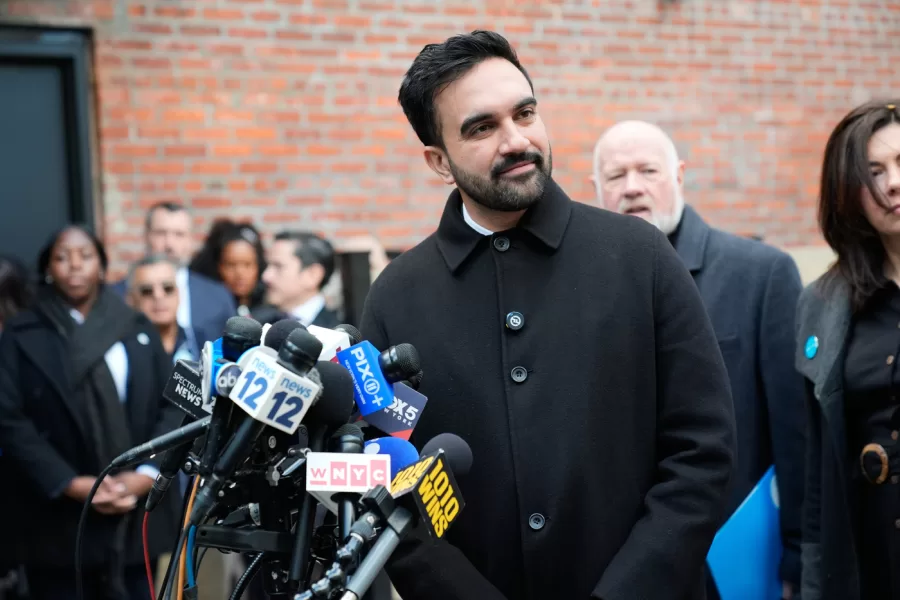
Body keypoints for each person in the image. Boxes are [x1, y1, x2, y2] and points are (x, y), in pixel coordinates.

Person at [359, 30, 736, 600]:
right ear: (438, 161)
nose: (517, 140)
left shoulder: (640, 256)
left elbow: (701, 451)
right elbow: (389, 492)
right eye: (482, 127)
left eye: (526, 113)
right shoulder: (395, 296)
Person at [593, 120, 807, 599]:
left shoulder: (761, 275)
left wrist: (798, 555)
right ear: (594, 190)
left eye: (648, 170)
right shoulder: (579, 293)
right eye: (615, 176)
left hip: (734, 562)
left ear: (679, 175)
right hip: (621, 570)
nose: (632, 188)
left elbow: (796, 435)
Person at [0, 225, 183, 600]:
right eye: (62, 258)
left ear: (102, 265)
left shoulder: (136, 327)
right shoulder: (23, 333)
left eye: (86, 256)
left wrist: (146, 474)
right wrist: (71, 483)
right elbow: (9, 419)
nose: (75, 266)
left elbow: (173, 406)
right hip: (57, 519)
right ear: (48, 268)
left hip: (134, 511)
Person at [795, 100, 900, 600]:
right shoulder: (823, 304)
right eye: (873, 172)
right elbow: (819, 469)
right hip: (868, 559)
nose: (893, 183)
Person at [112, 202, 236, 348]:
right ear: (146, 236)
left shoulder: (217, 297)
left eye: (179, 234)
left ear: (191, 239)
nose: (169, 244)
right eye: (161, 233)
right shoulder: (115, 296)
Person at [189, 220, 270, 319]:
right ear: (218, 266)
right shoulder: (206, 313)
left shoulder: (272, 310)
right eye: (231, 265)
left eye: (247, 265)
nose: (240, 273)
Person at [261, 230, 340, 328]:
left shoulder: (338, 335)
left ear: (313, 274)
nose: (266, 276)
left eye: (278, 266)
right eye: (267, 266)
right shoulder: (263, 325)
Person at [126, 254, 196, 362]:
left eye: (168, 288)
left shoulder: (201, 342)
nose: (159, 296)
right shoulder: (122, 351)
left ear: (179, 294)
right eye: (147, 290)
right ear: (131, 299)